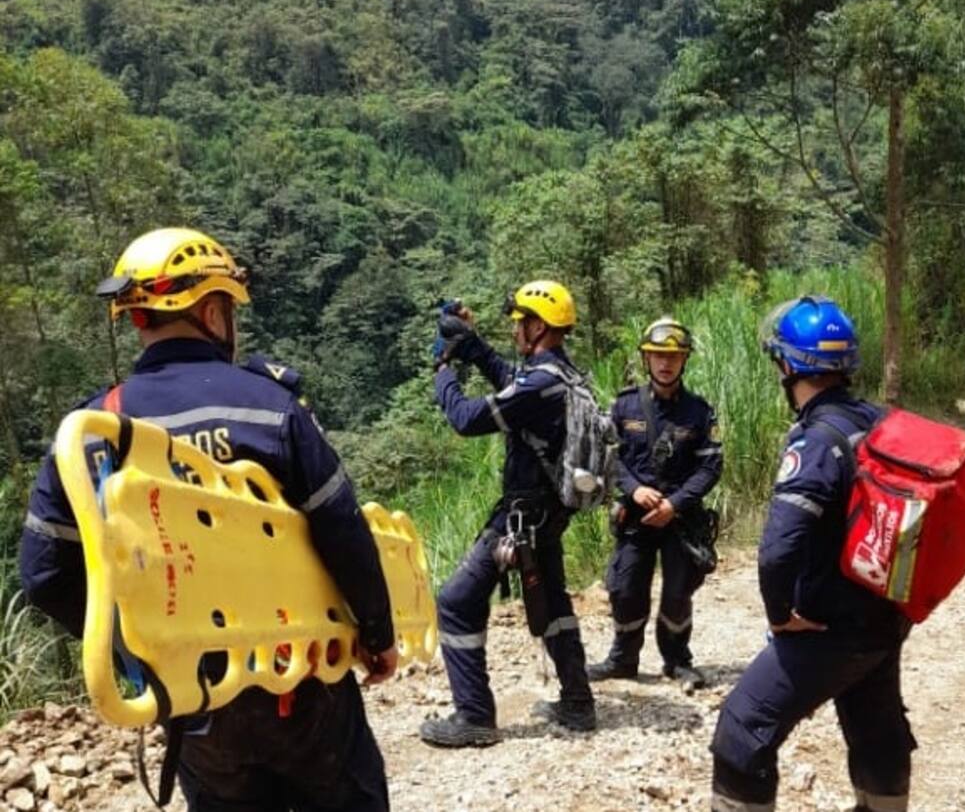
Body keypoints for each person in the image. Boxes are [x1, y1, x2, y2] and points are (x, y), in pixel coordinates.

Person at [19, 227, 397, 811]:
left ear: (139, 320)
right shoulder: (270, 407)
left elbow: (43, 576)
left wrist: (141, 648)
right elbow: (341, 528)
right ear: (214, 311)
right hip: (300, 682)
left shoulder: (95, 428)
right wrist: (378, 636)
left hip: (195, 695)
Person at [710, 296, 915, 812]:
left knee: (742, 729)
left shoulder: (816, 440)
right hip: (885, 616)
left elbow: (779, 548)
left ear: (787, 365)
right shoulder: (882, 422)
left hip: (830, 627)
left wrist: (781, 616)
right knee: (876, 728)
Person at [418, 280, 595, 747]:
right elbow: (509, 384)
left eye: (519, 322)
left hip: (521, 518)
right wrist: (473, 347)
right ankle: (578, 703)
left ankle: (474, 715)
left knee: (456, 604)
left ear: (538, 326)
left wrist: (442, 369)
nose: (516, 329)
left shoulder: (539, 383)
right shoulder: (559, 375)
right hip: (548, 513)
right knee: (553, 604)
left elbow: (466, 419)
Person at [586, 317, 722, 689]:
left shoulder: (700, 411)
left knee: (678, 592)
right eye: (658, 355)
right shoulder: (624, 406)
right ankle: (622, 660)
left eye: (674, 356)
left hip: (680, 519)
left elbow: (711, 467)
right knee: (625, 588)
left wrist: (674, 504)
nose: (666, 363)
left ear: (684, 360)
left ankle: (678, 661)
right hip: (635, 518)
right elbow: (606, 457)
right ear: (646, 359)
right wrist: (633, 489)